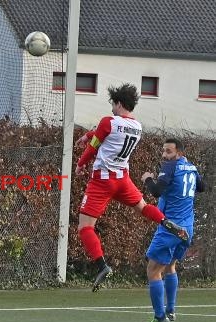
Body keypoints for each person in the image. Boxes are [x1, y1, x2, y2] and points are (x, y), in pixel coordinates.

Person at [75, 83, 190, 292]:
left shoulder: (108, 121)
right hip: (123, 180)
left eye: (113, 103)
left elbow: (94, 146)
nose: (111, 106)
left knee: (85, 227)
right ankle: (167, 223)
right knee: (143, 207)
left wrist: (80, 164)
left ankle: (102, 266)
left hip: (102, 180)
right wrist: (89, 133)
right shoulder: (137, 126)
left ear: (119, 103)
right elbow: (109, 130)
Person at [140, 138, 205, 322]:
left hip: (170, 228)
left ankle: (160, 318)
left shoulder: (170, 167)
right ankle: (170, 310)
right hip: (187, 228)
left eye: (168, 151)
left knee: (153, 270)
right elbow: (202, 187)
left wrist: (147, 179)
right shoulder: (191, 168)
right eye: (164, 151)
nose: (164, 155)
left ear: (179, 154)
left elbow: (157, 191)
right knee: (170, 265)